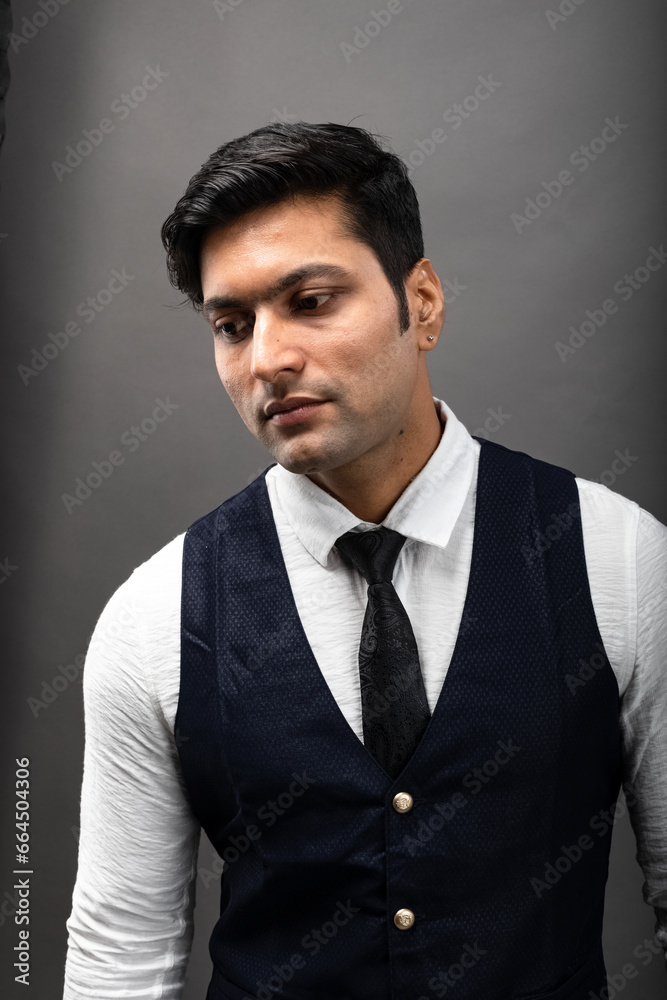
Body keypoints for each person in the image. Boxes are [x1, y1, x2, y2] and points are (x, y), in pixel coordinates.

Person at [62, 121, 666, 1000]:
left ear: (420, 303)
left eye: (309, 300)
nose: (267, 358)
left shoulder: (618, 557)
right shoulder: (155, 614)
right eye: (232, 324)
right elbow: (120, 958)